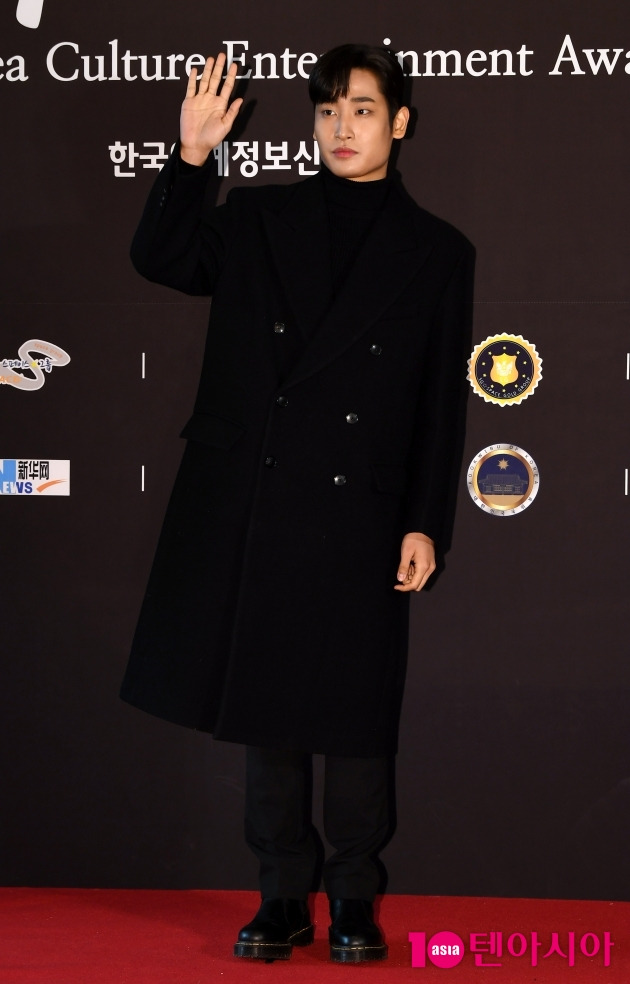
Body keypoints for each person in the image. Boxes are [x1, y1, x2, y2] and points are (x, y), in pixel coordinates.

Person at [120, 43, 474, 963]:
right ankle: (282, 895)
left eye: (360, 109)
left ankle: (354, 898)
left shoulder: (438, 252)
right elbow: (160, 258)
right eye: (326, 111)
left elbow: (443, 401)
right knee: (269, 717)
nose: (340, 128)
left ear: (399, 122)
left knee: (356, 719)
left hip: (362, 509)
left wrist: (427, 520)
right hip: (261, 503)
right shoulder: (258, 218)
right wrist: (191, 156)